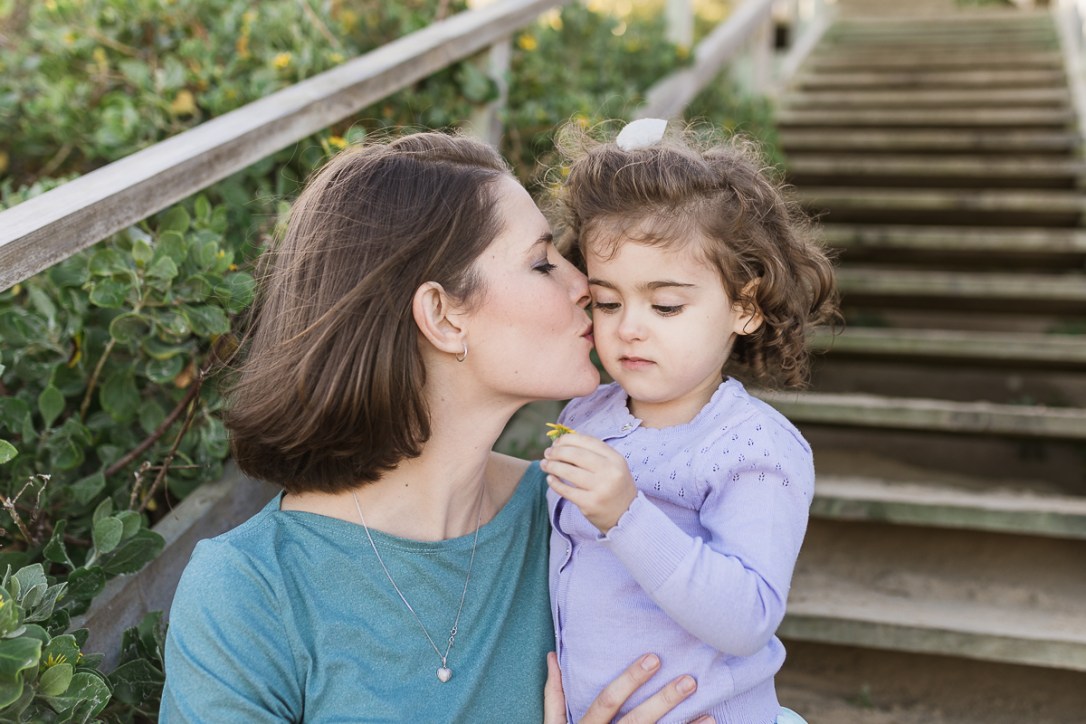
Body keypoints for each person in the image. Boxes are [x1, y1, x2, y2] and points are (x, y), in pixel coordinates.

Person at [159, 130, 716, 722]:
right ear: (444, 316)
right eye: (541, 262)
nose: (586, 286)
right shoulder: (250, 590)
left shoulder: (585, 516)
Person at [539, 118, 839, 724]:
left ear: (744, 306)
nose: (629, 327)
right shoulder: (585, 414)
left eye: (666, 304)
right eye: (607, 301)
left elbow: (748, 617)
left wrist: (627, 516)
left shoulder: (754, 446)